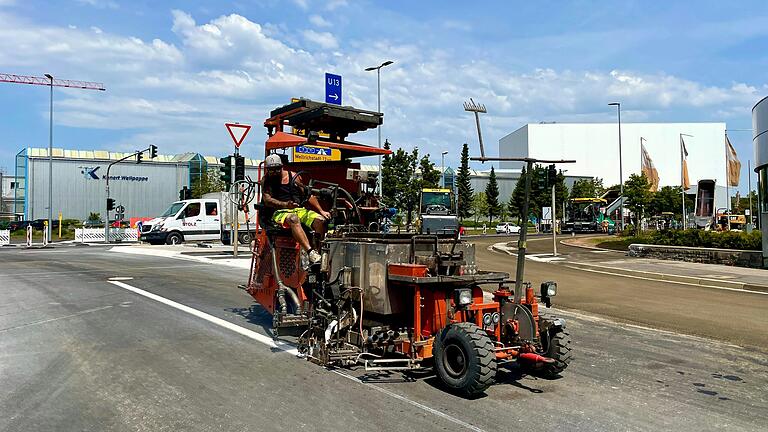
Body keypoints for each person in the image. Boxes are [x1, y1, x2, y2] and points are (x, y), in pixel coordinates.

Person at [260, 154, 331, 264]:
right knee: (293, 219)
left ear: (281, 167)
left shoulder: (293, 177)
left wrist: (321, 210)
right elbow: (267, 200)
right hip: (279, 212)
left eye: (276, 169)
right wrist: (285, 205)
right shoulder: (266, 180)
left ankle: (319, 252)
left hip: (299, 209)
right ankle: (310, 252)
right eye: (271, 170)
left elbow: (308, 195)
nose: (274, 172)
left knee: (320, 220)